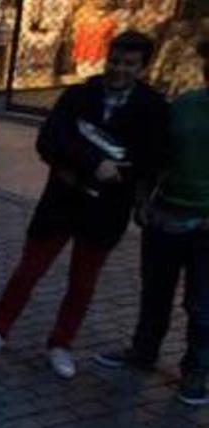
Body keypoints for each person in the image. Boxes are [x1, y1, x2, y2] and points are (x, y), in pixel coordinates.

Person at [0, 32, 170, 379]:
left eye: (129, 64)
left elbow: (151, 160)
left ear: (143, 67)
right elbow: (49, 141)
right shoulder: (79, 94)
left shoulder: (153, 107)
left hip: (105, 211)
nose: (119, 69)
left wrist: (115, 169)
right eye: (115, 60)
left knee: (82, 283)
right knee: (28, 271)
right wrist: (94, 162)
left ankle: (61, 344)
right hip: (61, 203)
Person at [95, 36, 209, 405]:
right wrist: (143, 198)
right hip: (166, 213)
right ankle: (144, 351)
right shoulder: (185, 104)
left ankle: (196, 369)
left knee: (202, 302)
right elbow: (156, 153)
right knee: (155, 291)